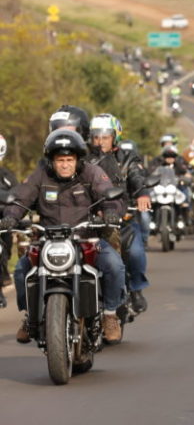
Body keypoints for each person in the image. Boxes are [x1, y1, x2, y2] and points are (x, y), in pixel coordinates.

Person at [3, 130, 126, 344]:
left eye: (69, 159)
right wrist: (11, 217)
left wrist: (111, 212)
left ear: (77, 160)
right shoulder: (41, 175)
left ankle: (110, 315)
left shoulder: (92, 173)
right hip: (48, 240)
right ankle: (30, 316)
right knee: (23, 270)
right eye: (60, 160)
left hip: (86, 238)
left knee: (115, 265)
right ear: (51, 161)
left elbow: (108, 194)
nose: (65, 164)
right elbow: (21, 199)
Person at [86, 114, 152, 314]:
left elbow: (136, 176)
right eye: (96, 136)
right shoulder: (83, 159)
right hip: (88, 221)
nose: (100, 141)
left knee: (135, 252)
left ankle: (135, 290)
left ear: (115, 137)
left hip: (121, 220)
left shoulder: (128, 158)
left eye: (105, 136)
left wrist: (141, 193)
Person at [0, 134, 17, 307]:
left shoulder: (7, 176)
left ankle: (3, 275)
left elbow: (20, 197)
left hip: (3, 222)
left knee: (3, 248)